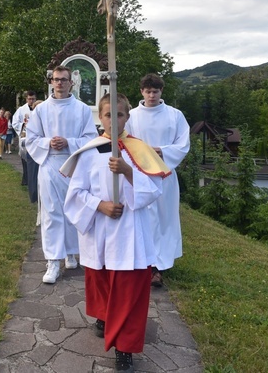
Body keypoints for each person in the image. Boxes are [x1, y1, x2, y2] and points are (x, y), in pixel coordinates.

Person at [62, 92, 170, 372]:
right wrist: (100, 205)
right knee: (101, 280)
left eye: (119, 114)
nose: (114, 120)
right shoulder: (89, 151)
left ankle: (124, 348)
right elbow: (75, 195)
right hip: (99, 227)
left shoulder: (139, 150)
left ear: (128, 117)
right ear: (101, 117)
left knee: (129, 289)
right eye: (108, 115)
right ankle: (103, 316)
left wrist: (128, 171)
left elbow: (154, 191)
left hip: (130, 231)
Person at [25, 65, 98, 284]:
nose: (59, 83)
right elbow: (31, 138)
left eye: (64, 80)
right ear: (51, 82)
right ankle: (53, 260)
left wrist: (69, 142)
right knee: (52, 213)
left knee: (74, 210)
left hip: (75, 165)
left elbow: (90, 137)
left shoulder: (82, 109)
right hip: (50, 164)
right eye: (55, 79)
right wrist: (49, 142)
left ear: (71, 83)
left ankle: (72, 252)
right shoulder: (41, 110)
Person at [125, 73, 190, 287]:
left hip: (165, 175)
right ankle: (145, 263)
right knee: (145, 218)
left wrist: (161, 151)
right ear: (141, 91)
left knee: (164, 219)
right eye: (148, 91)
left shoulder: (175, 115)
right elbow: (126, 142)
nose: (151, 95)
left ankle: (160, 265)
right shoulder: (131, 116)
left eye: (155, 91)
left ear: (161, 91)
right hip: (140, 174)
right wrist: (142, 156)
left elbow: (182, 144)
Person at [12, 91, 37, 185]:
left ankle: (34, 179)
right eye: (29, 99)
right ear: (26, 99)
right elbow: (15, 122)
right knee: (25, 159)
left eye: (33, 99)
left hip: (36, 139)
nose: (31, 101)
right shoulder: (21, 110)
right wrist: (23, 125)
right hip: (25, 138)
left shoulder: (39, 108)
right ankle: (26, 179)